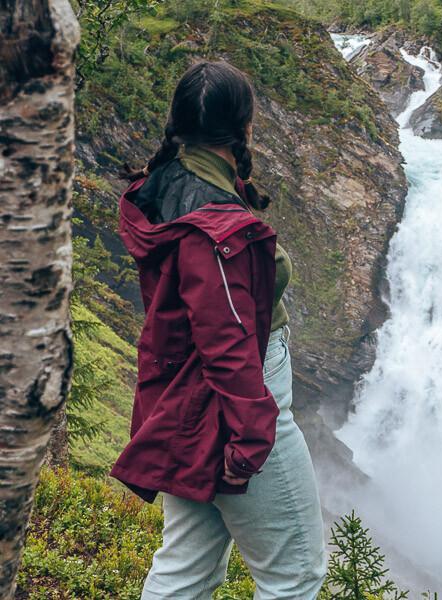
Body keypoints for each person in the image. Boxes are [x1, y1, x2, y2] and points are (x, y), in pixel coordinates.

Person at [110, 60, 326, 599]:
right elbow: (225, 341)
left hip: (184, 394)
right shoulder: (216, 226)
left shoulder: (164, 183)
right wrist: (253, 434)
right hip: (240, 401)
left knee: (186, 568)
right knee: (295, 575)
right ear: (245, 126)